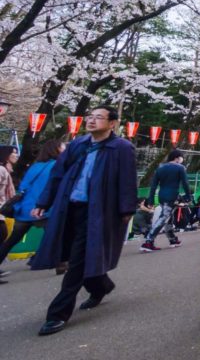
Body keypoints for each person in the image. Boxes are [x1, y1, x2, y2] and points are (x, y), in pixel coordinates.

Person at [30, 106, 137, 336]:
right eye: (90, 116)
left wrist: (127, 208)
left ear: (112, 124)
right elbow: (57, 175)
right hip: (69, 208)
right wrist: (42, 203)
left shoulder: (121, 148)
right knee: (73, 252)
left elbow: (128, 180)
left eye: (99, 117)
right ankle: (102, 286)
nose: (92, 121)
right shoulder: (78, 144)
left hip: (99, 211)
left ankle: (57, 314)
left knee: (77, 259)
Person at [0, 140, 63, 281]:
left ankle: (36, 258)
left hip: (24, 208)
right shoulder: (56, 166)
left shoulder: (35, 166)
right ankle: (60, 264)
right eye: (62, 147)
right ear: (56, 149)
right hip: (43, 207)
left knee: (12, 240)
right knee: (54, 236)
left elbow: (24, 185)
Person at [141, 149, 192, 252]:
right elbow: (185, 183)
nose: (182, 159)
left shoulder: (160, 168)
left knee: (168, 217)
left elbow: (153, 186)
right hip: (172, 196)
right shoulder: (180, 168)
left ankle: (173, 239)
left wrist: (150, 200)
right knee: (164, 217)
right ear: (177, 158)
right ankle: (148, 241)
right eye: (182, 157)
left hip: (161, 195)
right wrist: (188, 196)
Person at [0, 145, 19, 250]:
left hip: (2, 210)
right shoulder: (1, 170)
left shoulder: (7, 170)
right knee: (2, 234)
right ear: (6, 155)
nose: (17, 155)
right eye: (14, 152)